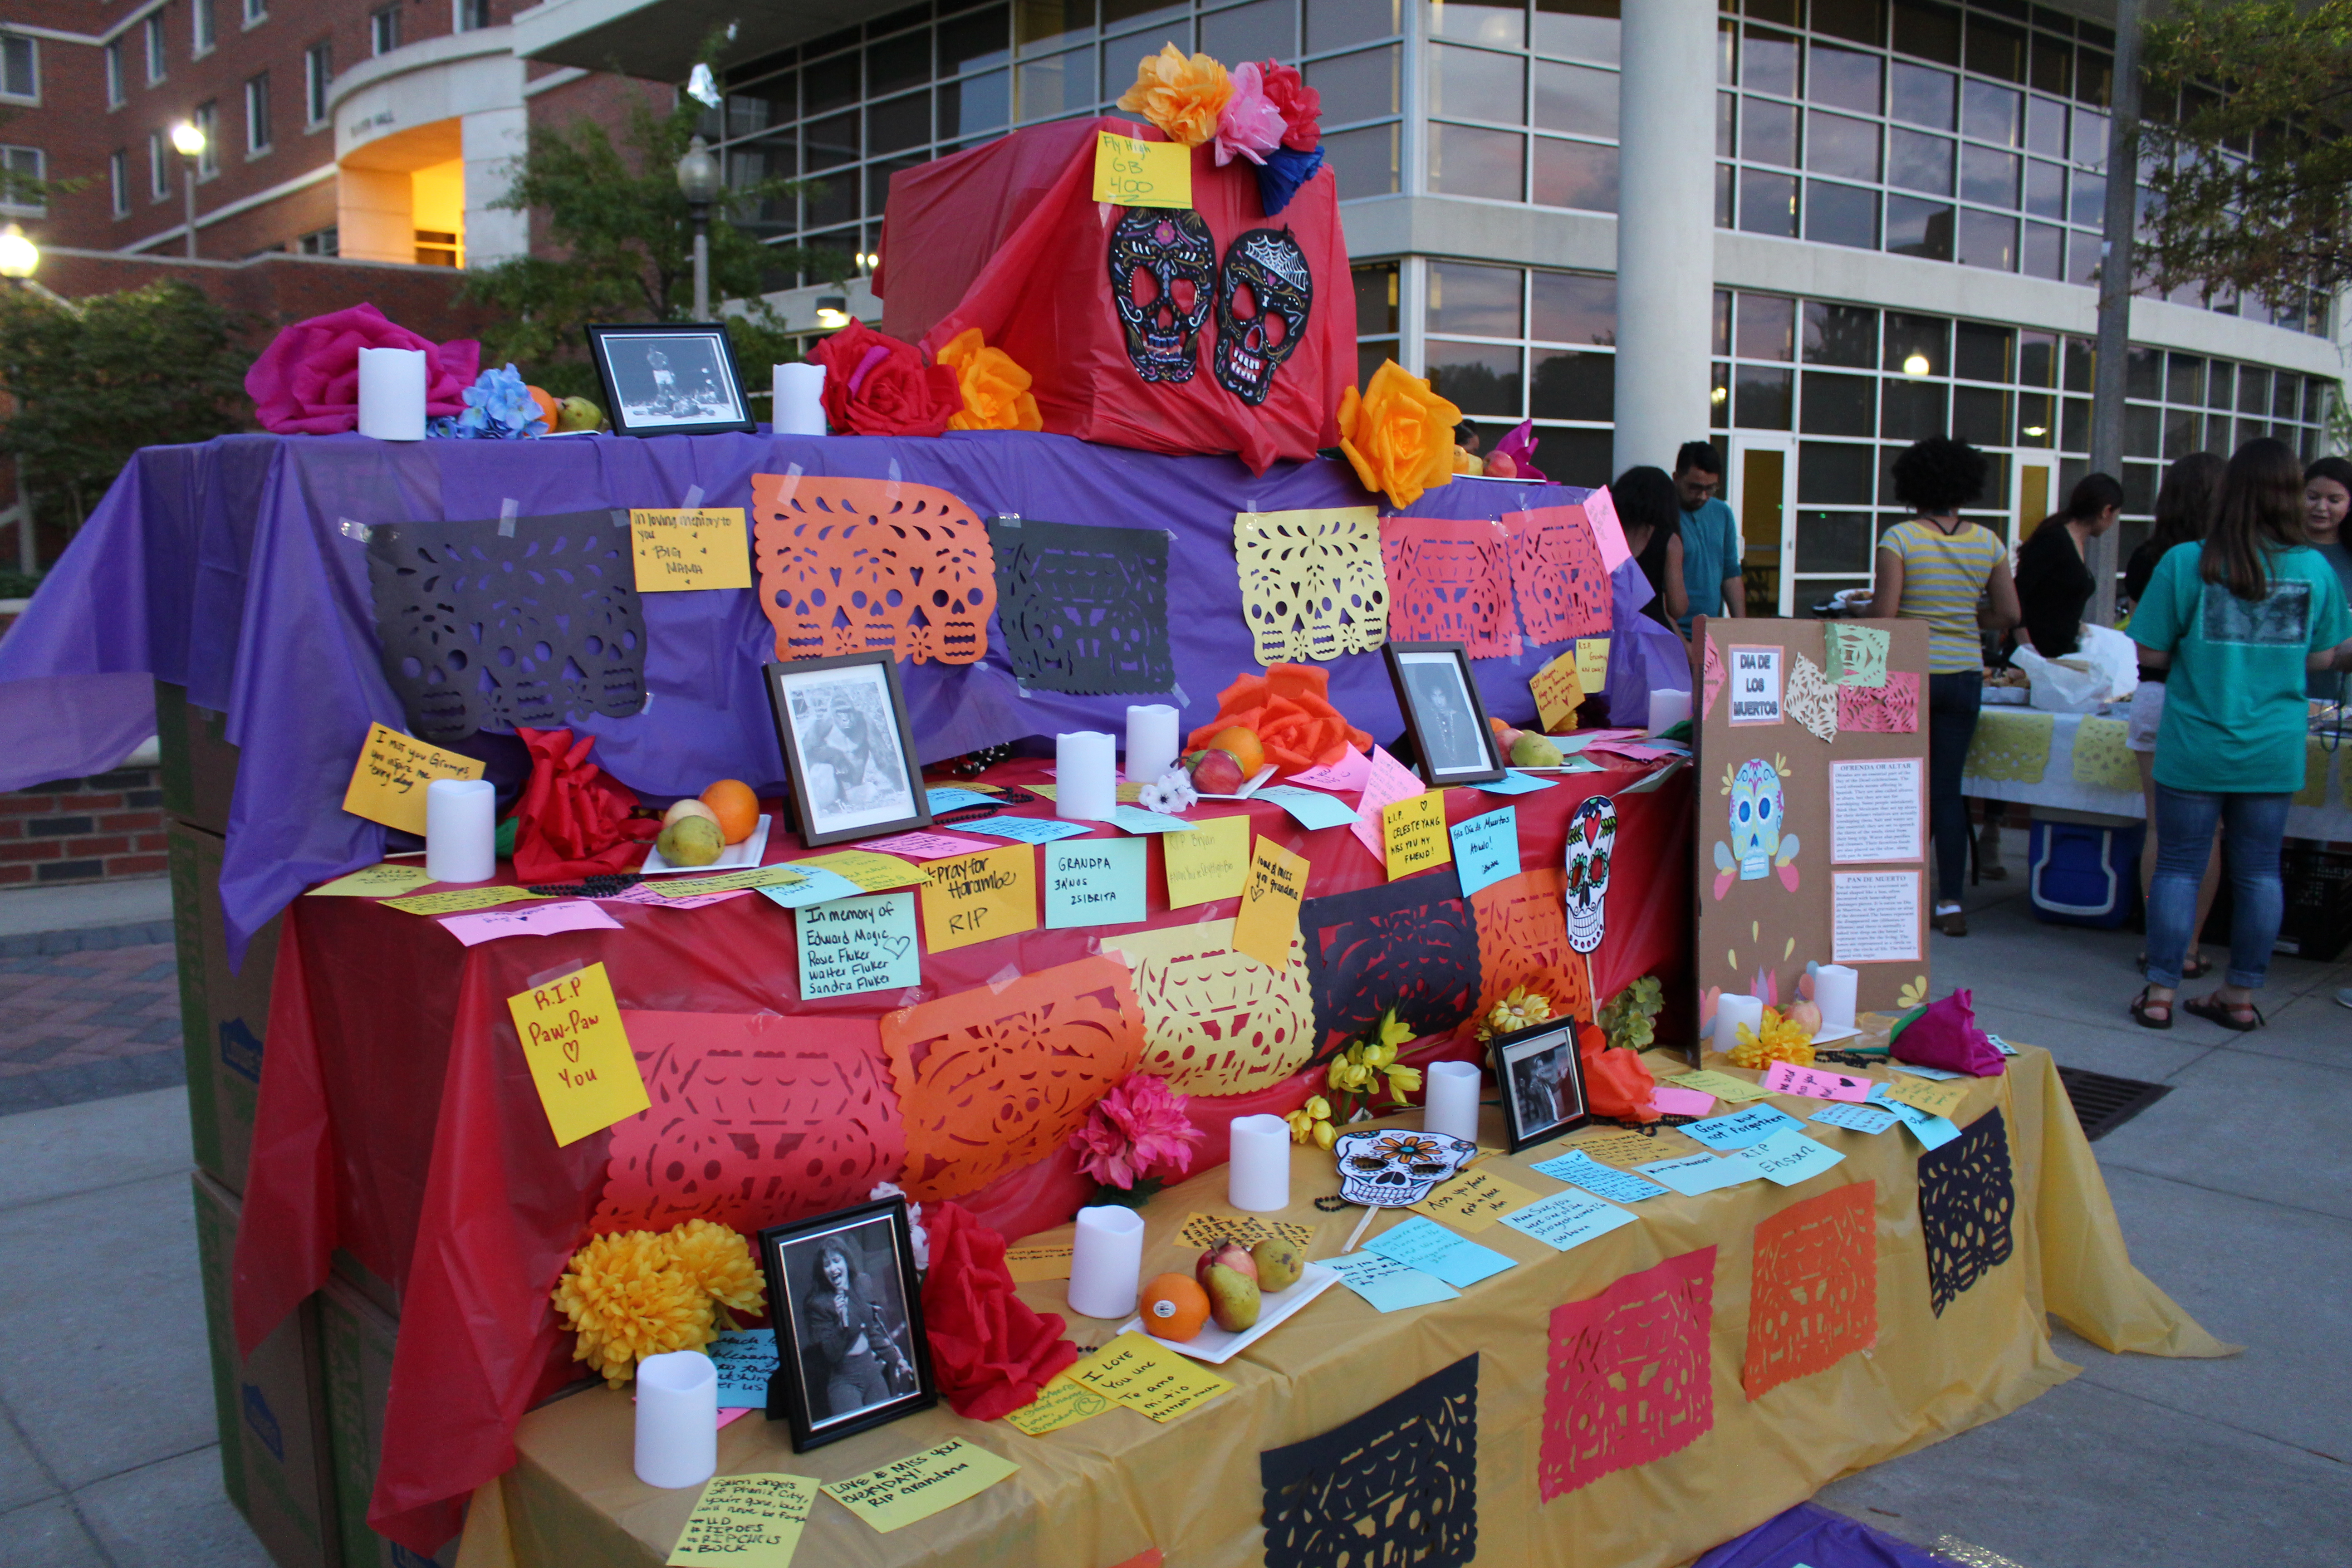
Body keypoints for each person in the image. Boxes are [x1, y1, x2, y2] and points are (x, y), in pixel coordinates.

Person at [2126, 439, 2352, 1030]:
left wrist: (2205, 656)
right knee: (2259, 874)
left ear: (2229, 492)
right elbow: (2326, 656)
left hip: (2196, 742)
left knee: (2178, 866)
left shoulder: (2186, 561)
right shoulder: (2314, 569)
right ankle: (2241, 996)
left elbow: (2149, 649)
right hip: (2273, 747)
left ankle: (2160, 993)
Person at [1870, 438, 2019, 937]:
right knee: (1948, 791)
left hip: (1910, 678)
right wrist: (1965, 617)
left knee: (1902, 791)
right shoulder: (1988, 543)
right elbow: (2009, 614)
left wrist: (1858, 611)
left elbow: (1885, 618)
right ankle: (1951, 902)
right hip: (1965, 676)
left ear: (1911, 484)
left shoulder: (1901, 539)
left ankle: (1897, 896)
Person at [2124, 454, 2227, 980]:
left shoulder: (2150, 557)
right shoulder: (2235, 560)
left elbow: (2147, 644)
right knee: (2207, 835)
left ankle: (2158, 944)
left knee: (2161, 830)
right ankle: (2186, 947)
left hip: (2155, 696)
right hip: (2210, 699)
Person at [802, 1235, 916, 1420]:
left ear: (846, 1262)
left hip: (872, 1374)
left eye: (837, 1261)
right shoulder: (818, 1304)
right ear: (822, 1271)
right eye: (827, 1265)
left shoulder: (861, 1285)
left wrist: (896, 1359)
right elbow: (830, 1354)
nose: (833, 1268)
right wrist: (842, 1323)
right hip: (845, 1379)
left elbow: (873, 1333)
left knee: (887, 1427)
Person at [2013, 473, 2123, 657]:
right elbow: (2019, 592)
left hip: (2060, 654)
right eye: (2115, 516)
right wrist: (2027, 650)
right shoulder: (2055, 540)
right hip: (2040, 655)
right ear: (2106, 511)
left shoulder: (2073, 541)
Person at [1673, 441, 1744, 635]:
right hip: (1671, 635)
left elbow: (1731, 573)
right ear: (1676, 479)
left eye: (1711, 489)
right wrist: (1683, 646)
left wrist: (1743, 630)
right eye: (1695, 488)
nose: (1703, 496)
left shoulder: (1722, 513)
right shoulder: (1663, 515)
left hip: (1712, 633)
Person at [1610, 465, 1689, 631]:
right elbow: (1677, 608)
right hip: (1650, 634)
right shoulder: (1668, 542)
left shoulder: (1605, 534)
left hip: (1608, 631)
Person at [2303, 456, 2352, 700]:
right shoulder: (2279, 552)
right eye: (2312, 497)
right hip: (2287, 689)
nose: (2321, 508)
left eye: (2334, 500)